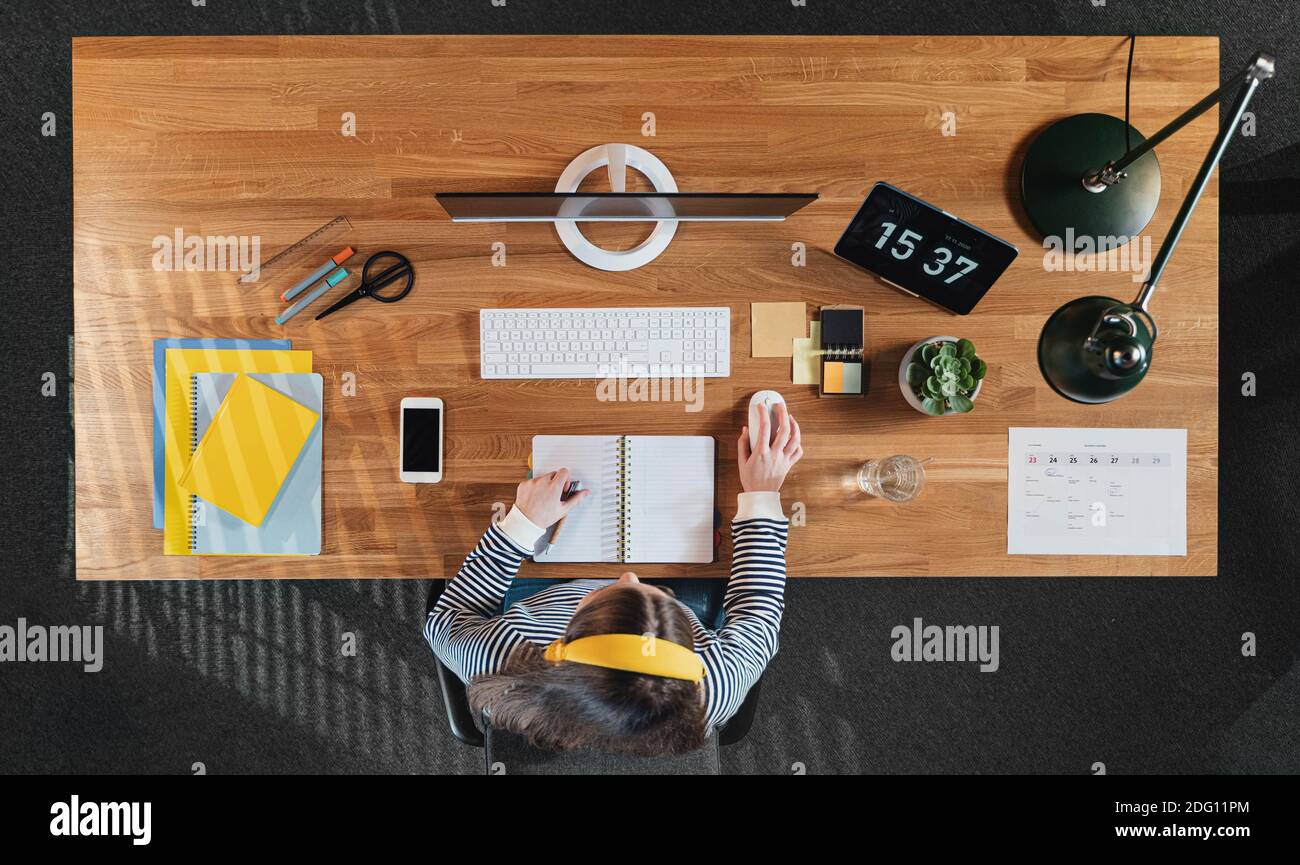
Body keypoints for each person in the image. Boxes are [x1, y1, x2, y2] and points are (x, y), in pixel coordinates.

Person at [424, 404, 802, 756]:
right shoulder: (712, 686)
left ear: (562, 642)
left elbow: (446, 620)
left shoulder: (510, 662)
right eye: (658, 595)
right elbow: (758, 614)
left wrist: (520, 524)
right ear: (690, 660)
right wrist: (762, 495)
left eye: (610, 593)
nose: (630, 574)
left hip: (545, 588)